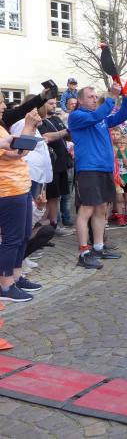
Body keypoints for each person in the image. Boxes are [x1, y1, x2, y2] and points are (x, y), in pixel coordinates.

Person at [69, 84, 127, 269]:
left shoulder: (100, 117)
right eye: (90, 97)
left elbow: (122, 116)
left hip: (104, 169)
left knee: (102, 208)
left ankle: (98, 247)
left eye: (96, 96)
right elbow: (97, 116)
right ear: (80, 100)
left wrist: (126, 97)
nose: (95, 99)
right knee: (86, 210)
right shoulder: (77, 116)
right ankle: (83, 252)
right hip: (88, 169)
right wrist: (112, 96)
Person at [0, 110, 45, 302]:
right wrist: (27, 126)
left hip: (21, 186)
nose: (4, 106)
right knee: (12, 239)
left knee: (24, 235)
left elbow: (23, 150)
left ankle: (16, 277)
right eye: (0, 102)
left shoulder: (2, 127)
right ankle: (5, 285)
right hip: (8, 189)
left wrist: (31, 127)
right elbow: (16, 153)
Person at [38, 97, 72, 235]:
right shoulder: (39, 121)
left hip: (62, 164)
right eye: (50, 103)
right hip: (51, 165)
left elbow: (67, 135)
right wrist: (67, 130)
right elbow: (47, 136)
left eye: (55, 103)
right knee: (49, 197)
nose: (54, 106)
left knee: (57, 196)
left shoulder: (57, 119)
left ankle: (54, 224)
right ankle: (48, 226)